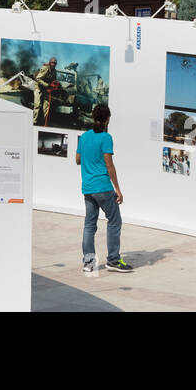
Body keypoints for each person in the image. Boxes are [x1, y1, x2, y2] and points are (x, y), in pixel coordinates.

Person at [76, 105, 132, 274]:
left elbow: (78, 160)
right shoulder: (106, 138)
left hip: (87, 188)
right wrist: (118, 189)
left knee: (89, 225)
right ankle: (113, 260)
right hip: (103, 187)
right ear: (107, 119)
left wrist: (89, 160)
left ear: (94, 117)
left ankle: (89, 263)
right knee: (114, 221)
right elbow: (109, 165)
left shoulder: (84, 137)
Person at [32, 57, 58, 127]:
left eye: (55, 63)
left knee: (46, 104)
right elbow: (38, 78)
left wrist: (54, 84)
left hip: (45, 89)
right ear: (49, 63)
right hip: (38, 87)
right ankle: (34, 121)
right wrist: (47, 85)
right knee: (37, 104)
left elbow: (53, 80)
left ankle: (43, 121)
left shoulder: (54, 71)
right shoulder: (45, 68)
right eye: (52, 63)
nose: (53, 64)